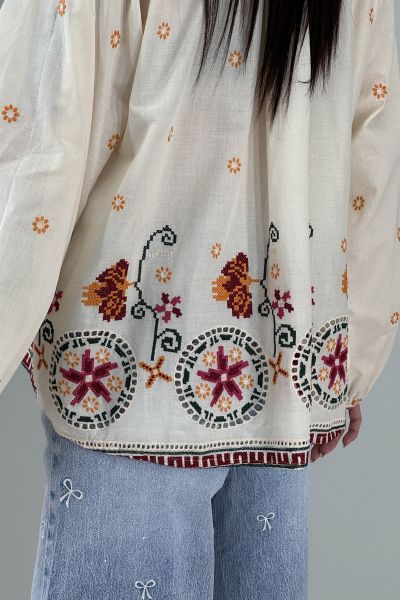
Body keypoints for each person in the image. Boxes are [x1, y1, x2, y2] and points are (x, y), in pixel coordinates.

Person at [0, 0, 399, 598]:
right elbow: (376, 157)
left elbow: (42, 147)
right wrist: (352, 362)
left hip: (130, 391)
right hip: (279, 390)